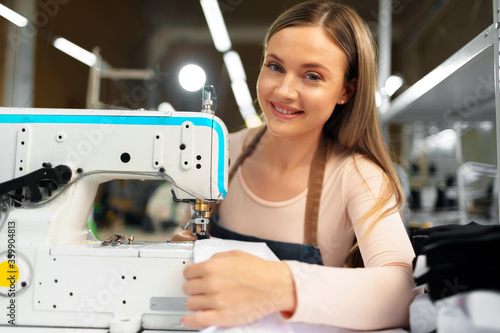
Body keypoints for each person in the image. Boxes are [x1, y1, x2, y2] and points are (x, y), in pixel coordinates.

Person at [174, 0, 421, 330]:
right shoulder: (221, 150)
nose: (284, 90)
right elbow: (186, 235)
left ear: (346, 91)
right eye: (275, 66)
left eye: (312, 76)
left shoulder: (359, 177)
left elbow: (404, 291)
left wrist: (283, 285)